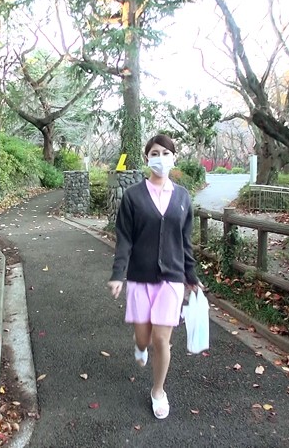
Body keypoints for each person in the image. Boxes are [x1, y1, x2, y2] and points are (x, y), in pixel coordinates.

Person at [107, 134, 202, 420]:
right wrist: (118, 274)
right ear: (147, 158)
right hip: (140, 277)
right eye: (155, 153)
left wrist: (191, 275)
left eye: (166, 153)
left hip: (171, 279)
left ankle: (158, 391)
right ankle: (139, 347)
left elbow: (185, 242)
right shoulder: (133, 196)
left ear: (174, 157)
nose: (160, 158)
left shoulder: (183, 197)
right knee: (144, 339)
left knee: (161, 339)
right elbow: (124, 239)